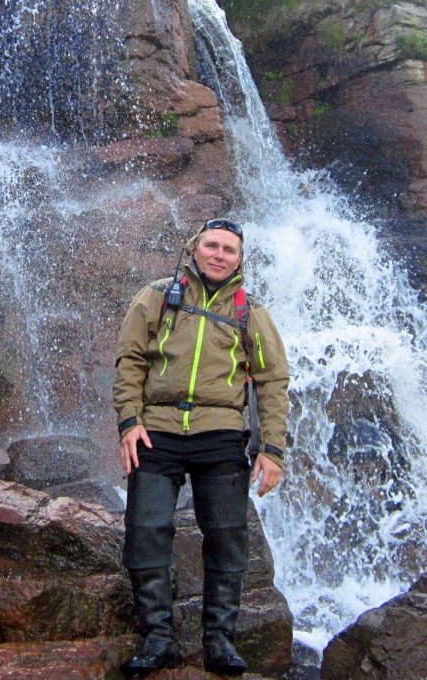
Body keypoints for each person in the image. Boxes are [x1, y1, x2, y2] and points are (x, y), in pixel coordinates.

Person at [114, 218, 290, 676]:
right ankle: (156, 638)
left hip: (222, 434)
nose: (219, 254)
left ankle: (220, 642)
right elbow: (130, 359)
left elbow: (272, 381)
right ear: (194, 248)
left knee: (228, 537)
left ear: (239, 259)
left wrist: (272, 450)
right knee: (146, 529)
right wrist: (129, 421)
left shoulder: (250, 311)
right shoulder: (156, 297)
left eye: (229, 250)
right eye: (212, 245)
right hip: (158, 431)